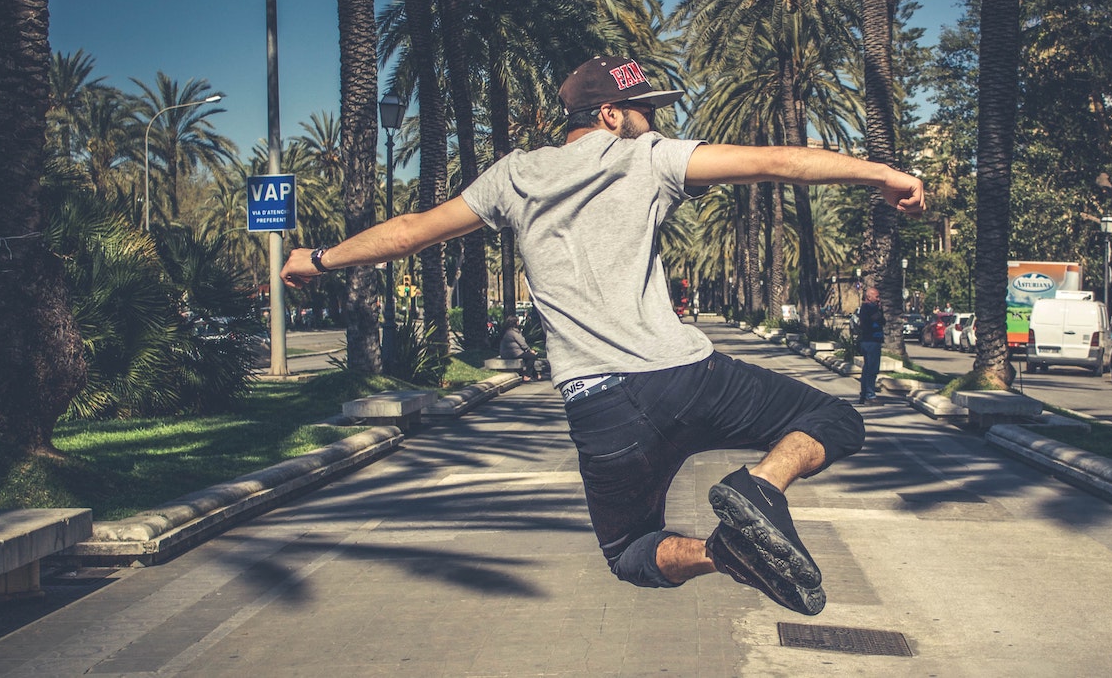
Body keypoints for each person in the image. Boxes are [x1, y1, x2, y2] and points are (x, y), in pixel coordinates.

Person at [282, 56, 925, 616]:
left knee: (630, 553)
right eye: (644, 108)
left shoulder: (512, 177)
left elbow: (409, 230)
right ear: (611, 114)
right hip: (684, 379)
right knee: (834, 416)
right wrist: (883, 176)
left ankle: (721, 554)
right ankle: (760, 487)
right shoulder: (648, 157)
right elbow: (777, 163)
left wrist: (318, 260)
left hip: (599, 408)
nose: (654, 119)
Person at [856, 287, 884, 404]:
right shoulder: (868, 308)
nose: (878, 299)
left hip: (871, 341)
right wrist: (879, 311)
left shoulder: (870, 308)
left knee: (867, 369)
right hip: (871, 341)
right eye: (876, 297)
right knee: (872, 369)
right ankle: (870, 395)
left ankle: (864, 394)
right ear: (869, 297)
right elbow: (878, 319)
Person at [498, 314, 540, 381]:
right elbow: (522, 344)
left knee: (528, 357)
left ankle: (536, 375)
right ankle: (527, 375)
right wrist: (530, 350)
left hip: (506, 353)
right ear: (516, 322)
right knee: (532, 356)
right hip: (514, 353)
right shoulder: (514, 332)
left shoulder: (506, 331)